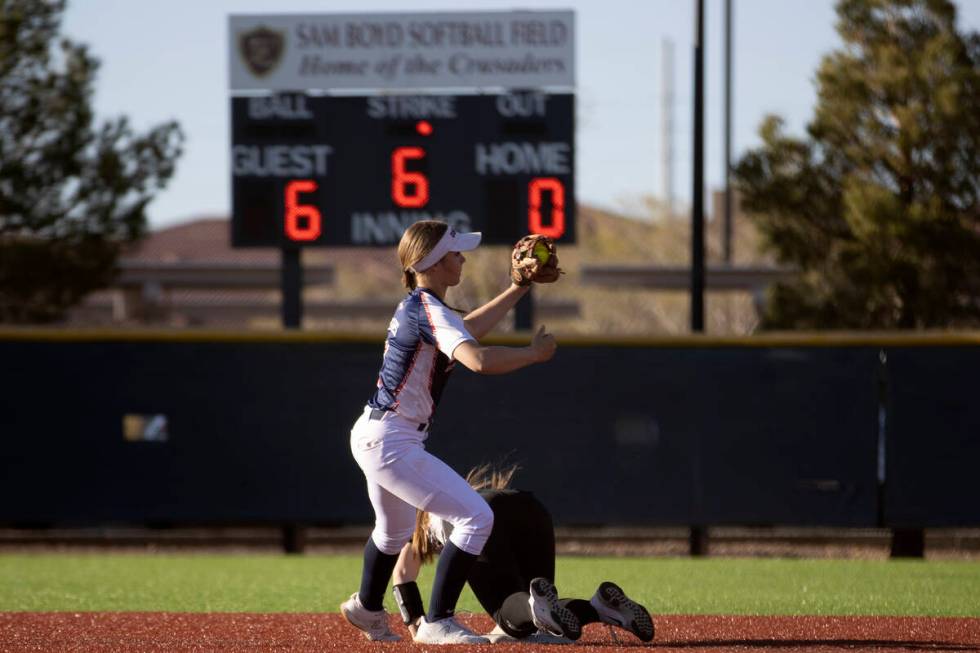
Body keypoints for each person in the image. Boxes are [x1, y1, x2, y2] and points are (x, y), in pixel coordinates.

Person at [339, 220, 558, 645]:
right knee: (476, 516)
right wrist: (532, 355)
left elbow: (466, 333)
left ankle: (365, 607)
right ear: (434, 263)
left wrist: (518, 287)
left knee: (394, 533)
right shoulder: (429, 310)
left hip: (378, 432)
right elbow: (476, 358)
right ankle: (436, 621)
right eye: (455, 253)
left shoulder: (421, 306)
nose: (462, 258)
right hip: (391, 440)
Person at [391, 466, 656, 645]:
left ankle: (537, 609)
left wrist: (414, 622)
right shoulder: (460, 493)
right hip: (530, 507)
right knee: (542, 618)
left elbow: (402, 572)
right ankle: (600, 607)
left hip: (490, 516)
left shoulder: (423, 511)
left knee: (511, 617)